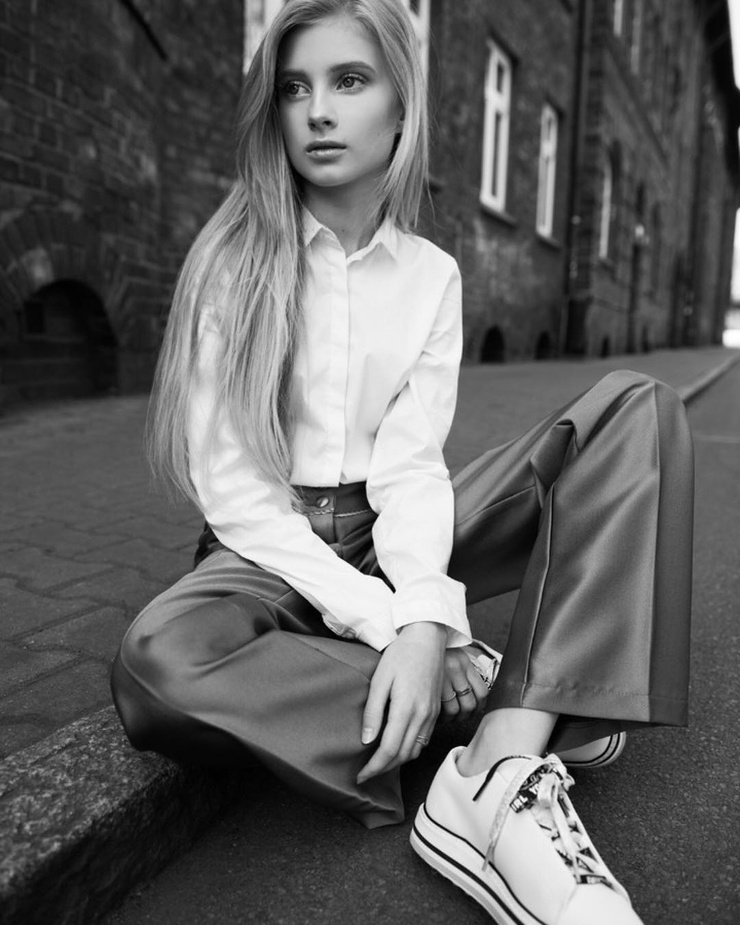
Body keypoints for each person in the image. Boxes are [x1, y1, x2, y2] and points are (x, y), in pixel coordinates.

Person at [110, 2, 694, 923]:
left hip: (390, 527)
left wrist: (423, 610)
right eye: (295, 87)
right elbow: (238, 496)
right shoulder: (231, 264)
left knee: (635, 408)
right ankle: (520, 697)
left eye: (349, 81)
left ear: (400, 106)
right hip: (268, 550)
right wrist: (404, 631)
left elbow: (411, 469)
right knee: (159, 663)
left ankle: (494, 769)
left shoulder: (432, 275)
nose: (318, 110)